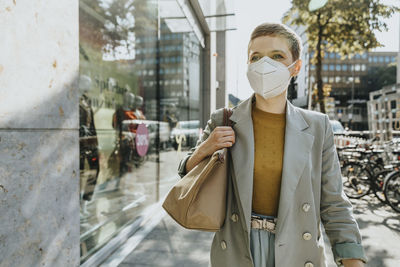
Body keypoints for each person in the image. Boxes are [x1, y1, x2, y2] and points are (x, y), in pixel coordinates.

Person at [177, 23, 367, 267]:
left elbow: (334, 204)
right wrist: (206, 148)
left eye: (277, 56)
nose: (264, 65)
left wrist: (352, 258)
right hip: (237, 248)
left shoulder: (318, 126)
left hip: (297, 249)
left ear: (295, 67)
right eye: (255, 57)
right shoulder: (223, 119)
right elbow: (186, 174)